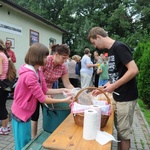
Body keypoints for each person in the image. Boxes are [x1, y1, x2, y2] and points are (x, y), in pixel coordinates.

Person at [11, 43, 73, 150]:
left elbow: (45, 90)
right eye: (45, 56)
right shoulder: (30, 75)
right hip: (20, 114)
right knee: (21, 145)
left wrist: (63, 89)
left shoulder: (38, 70)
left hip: (26, 112)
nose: (47, 59)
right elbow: (42, 98)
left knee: (26, 142)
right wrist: (64, 100)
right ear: (37, 57)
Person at [88, 27, 138, 150]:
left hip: (126, 97)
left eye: (94, 42)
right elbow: (115, 75)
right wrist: (102, 88)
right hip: (118, 96)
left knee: (124, 133)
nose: (95, 46)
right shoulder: (110, 51)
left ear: (98, 37)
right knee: (120, 131)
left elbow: (134, 70)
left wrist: (114, 86)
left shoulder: (119, 47)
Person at [31, 44, 74, 138]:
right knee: (35, 114)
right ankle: (33, 137)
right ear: (56, 54)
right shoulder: (46, 61)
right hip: (36, 89)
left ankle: (48, 131)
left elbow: (67, 84)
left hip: (48, 92)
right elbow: (36, 79)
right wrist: (44, 93)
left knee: (49, 112)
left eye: (66, 59)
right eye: (63, 58)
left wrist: (76, 91)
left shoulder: (62, 67)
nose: (64, 61)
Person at [0, 39, 16, 135]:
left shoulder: (0, 55)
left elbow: (0, 72)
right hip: (4, 85)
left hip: (1, 86)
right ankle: (5, 126)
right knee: (2, 105)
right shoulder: (4, 54)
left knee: (1, 107)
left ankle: (4, 128)